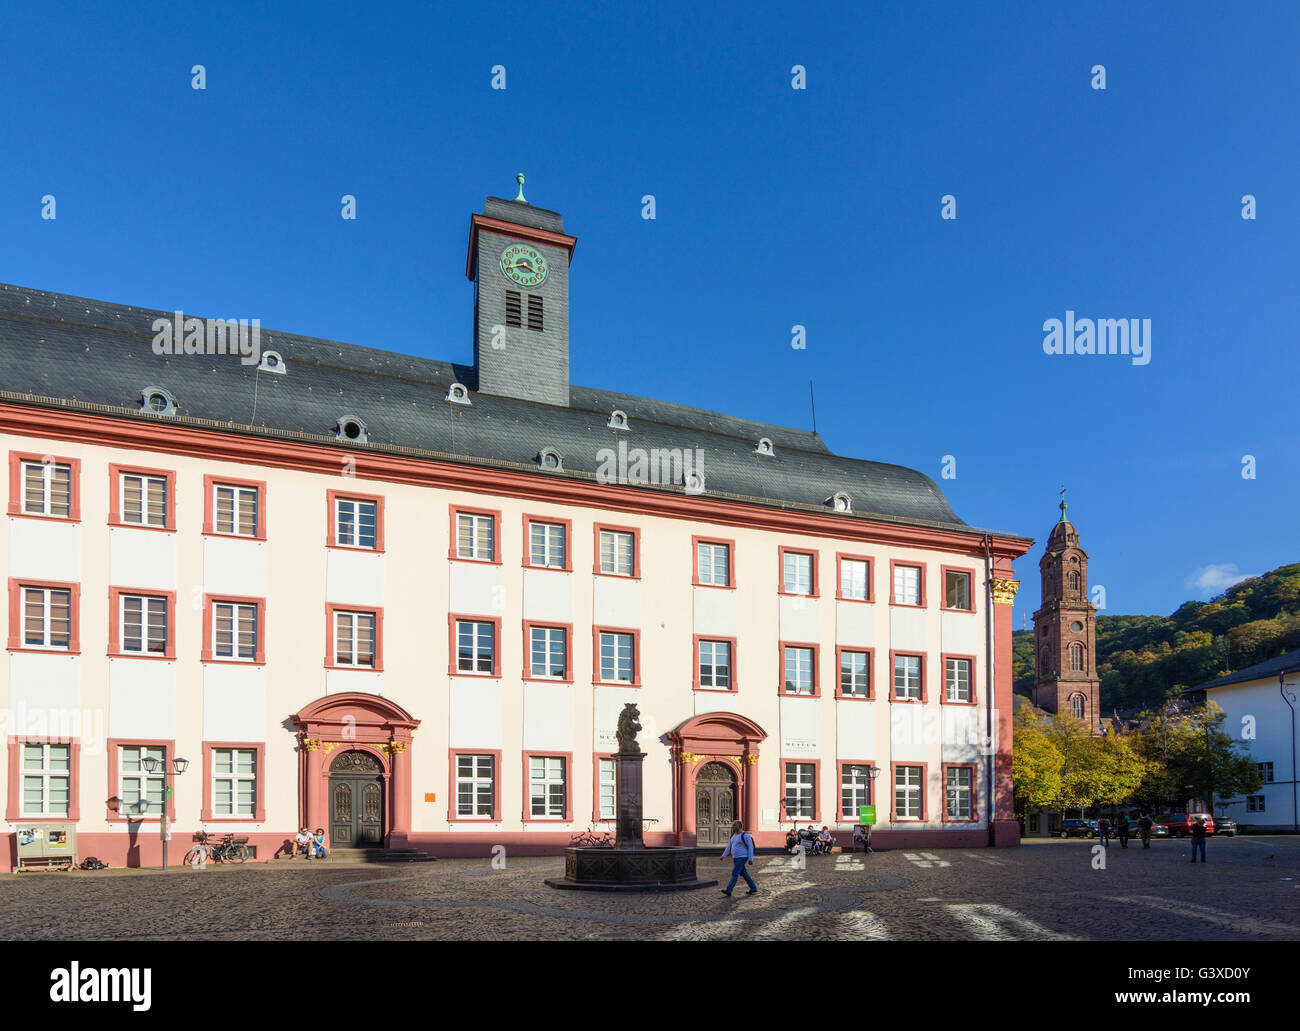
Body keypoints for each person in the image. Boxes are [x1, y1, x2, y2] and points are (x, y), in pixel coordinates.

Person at [719, 819, 758, 896]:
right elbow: (729, 847)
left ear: (739, 826)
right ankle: (753, 887)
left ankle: (729, 890)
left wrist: (750, 859)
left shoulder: (745, 836)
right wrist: (723, 855)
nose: (732, 826)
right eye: (733, 825)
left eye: (734, 825)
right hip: (735, 858)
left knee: (735, 873)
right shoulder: (733, 836)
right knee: (744, 873)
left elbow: (750, 847)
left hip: (742, 857)